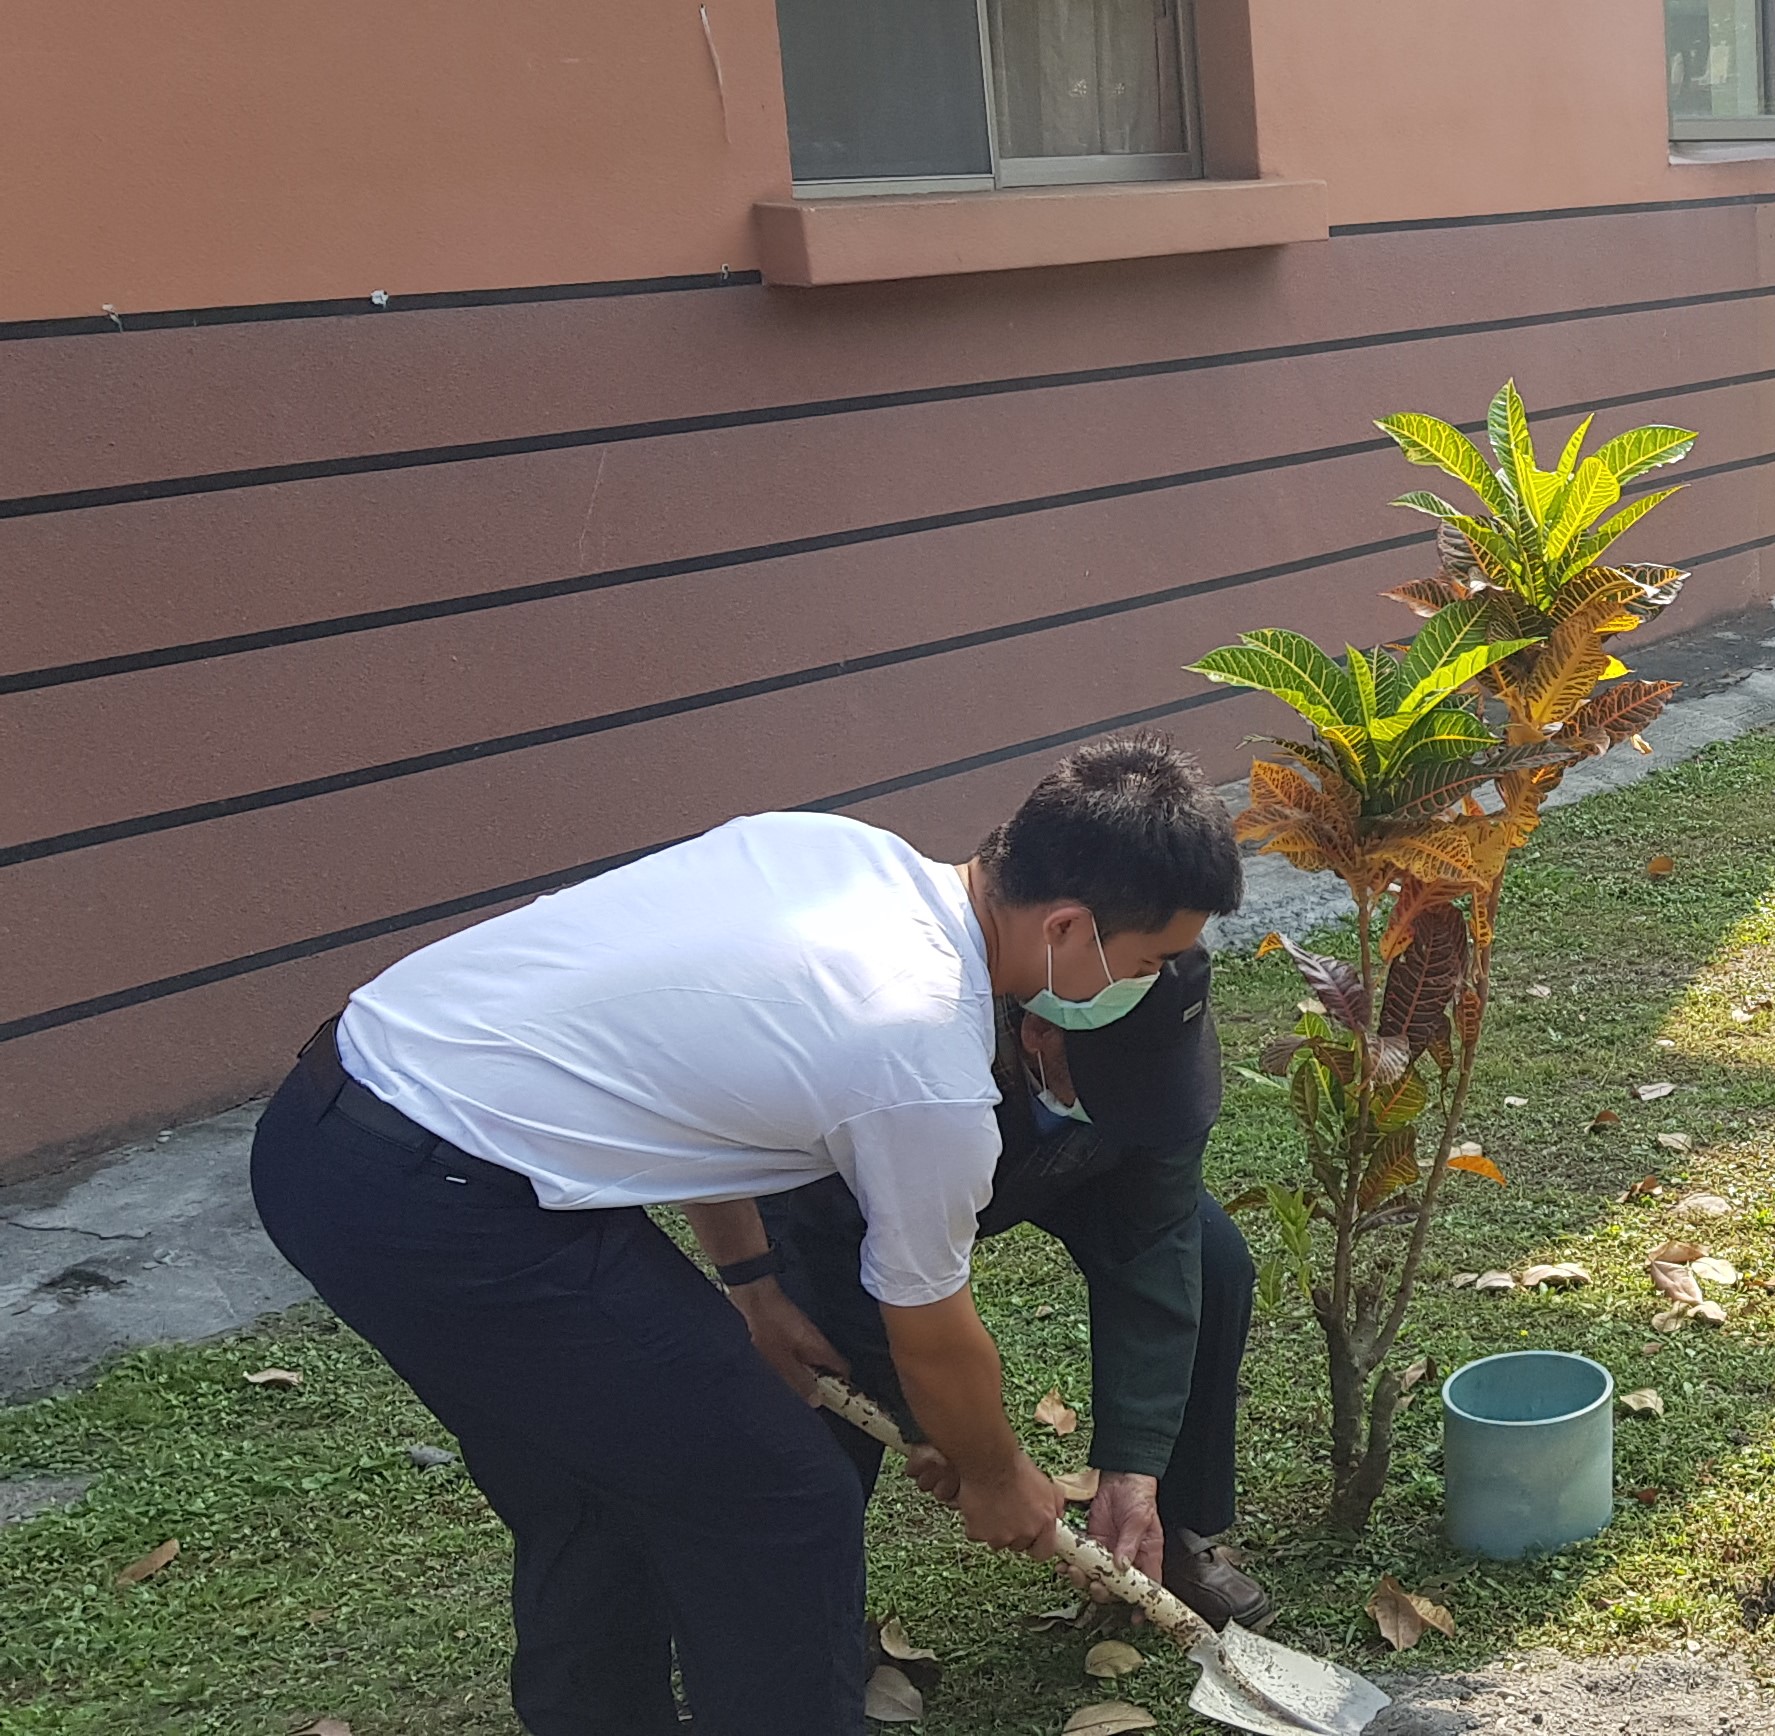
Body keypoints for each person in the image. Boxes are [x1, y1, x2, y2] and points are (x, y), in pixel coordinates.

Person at [247, 739, 1243, 1734]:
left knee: (595, 1485)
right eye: (1149, 960)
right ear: (1069, 925)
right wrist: (993, 1473)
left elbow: (701, 1104)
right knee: (781, 1497)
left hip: (331, 1132)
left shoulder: (830, 851)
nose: (1149, 980)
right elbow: (930, 1326)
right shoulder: (924, 1051)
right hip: (447, 1197)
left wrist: (755, 1283)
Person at [761, 945, 1268, 1628]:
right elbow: (847, 1257)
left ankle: (1160, 1534)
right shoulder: (915, 1048)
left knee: (1211, 1262)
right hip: (851, 1190)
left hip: (1057, 1155)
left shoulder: (1161, 1046)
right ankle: (810, 1629)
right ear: (1039, 1033)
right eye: (1121, 1087)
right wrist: (955, 1438)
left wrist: (1132, 1466)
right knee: (818, 1354)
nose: (1143, 1105)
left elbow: (1157, 1243)